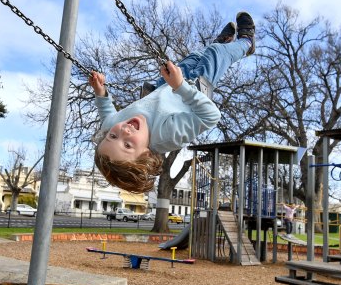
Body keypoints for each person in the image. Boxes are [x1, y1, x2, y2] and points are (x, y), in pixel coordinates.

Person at [90, 12, 256, 193]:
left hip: (166, 84)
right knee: (216, 54)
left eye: (113, 136)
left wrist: (101, 92)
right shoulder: (166, 135)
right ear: (145, 154)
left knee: (196, 55)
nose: (123, 131)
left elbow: (107, 116)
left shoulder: (113, 126)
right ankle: (246, 42)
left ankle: (220, 43)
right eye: (128, 145)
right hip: (197, 85)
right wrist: (180, 86)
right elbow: (210, 116)